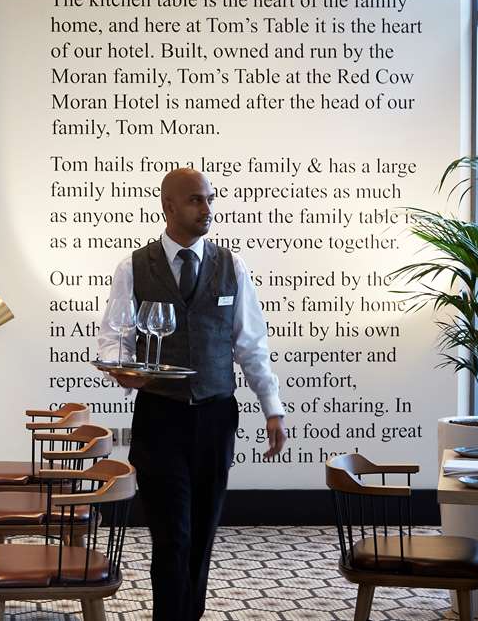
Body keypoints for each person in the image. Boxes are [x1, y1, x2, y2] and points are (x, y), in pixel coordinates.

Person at [97, 168, 286, 621]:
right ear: (169, 207)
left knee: (201, 534)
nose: (207, 209)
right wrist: (124, 371)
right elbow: (113, 339)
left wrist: (272, 409)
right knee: (172, 536)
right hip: (160, 417)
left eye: (209, 199)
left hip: (216, 418)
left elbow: (251, 345)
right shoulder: (133, 267)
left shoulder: (232, 266)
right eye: (196, 200)